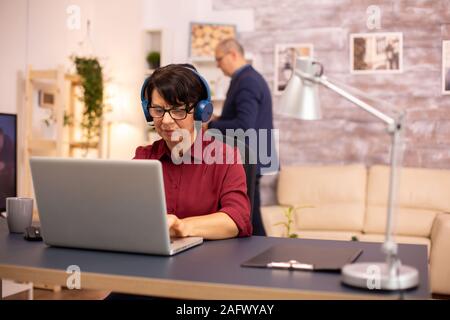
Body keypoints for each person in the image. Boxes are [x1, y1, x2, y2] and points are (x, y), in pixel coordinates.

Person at [105, 63, 252, 300]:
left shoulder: (225, 157)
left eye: (178, 110)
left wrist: (181, 226)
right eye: (158, 110)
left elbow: (236, 219)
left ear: (201, 111)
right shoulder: (144, 157)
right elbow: (124, 211)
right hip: (149, 275)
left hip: (206, 277)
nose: (167, 121)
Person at [207, 38, 278, 236]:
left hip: (250, 157)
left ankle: (261, 260)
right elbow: (243, 120)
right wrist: (219, 119)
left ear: (233, 55)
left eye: (219, 59)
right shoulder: (247, 78)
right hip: (255, 154)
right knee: (249, 215)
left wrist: (210, 125)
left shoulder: (247, 81)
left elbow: (244, 126)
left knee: (248, 219)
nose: (218, 65)